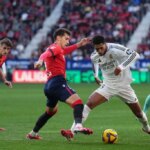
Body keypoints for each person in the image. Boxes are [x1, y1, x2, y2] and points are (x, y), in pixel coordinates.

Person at [62, 35, 150, 139]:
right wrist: (95, 75)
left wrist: (121, 67)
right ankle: (71, 132)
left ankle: (146, 128)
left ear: (105, 44)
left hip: (124, 86)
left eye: (101, 48)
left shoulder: (115, 48)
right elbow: (94, 63)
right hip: (108, 85)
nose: (99, 51)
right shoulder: (94, 55)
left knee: (139, 113)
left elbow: (135, 55)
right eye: (97, 48)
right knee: (89, 103)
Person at [26, 28, 93, 140]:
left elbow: (66, 50)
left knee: (50, 112)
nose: (68, 41)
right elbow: (45, 54)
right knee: (78, 103)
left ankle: (33, 134)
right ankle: (78, 126)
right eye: (66, 39)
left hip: (49, 86)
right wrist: (40, 61)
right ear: (58, 38)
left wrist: (80, 44)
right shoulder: (55, 47)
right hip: (57, 82)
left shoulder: (59, 50)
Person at [0, 38, 13, 131]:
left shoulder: (3, 57)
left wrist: (4, 80)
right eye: (4, 48)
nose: (6, 51)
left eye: (8, 49)